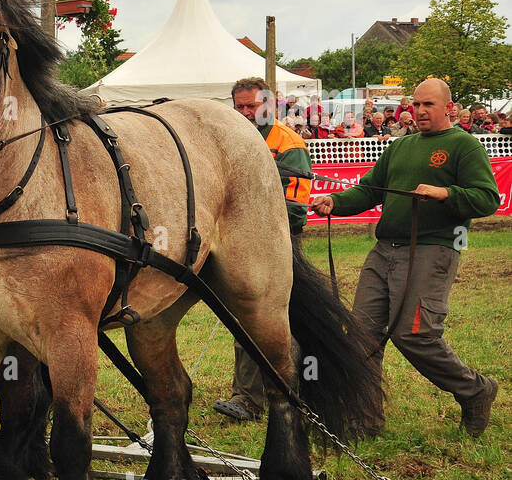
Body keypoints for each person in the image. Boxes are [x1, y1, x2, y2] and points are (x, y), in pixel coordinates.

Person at [310, 77, 500, 436]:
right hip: (384, 250)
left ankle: (475, 390)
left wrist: (446, 193)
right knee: (361, 335)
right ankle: (364, 422)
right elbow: (369, 190)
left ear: (449, 108)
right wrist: (336, 202)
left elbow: (487, 198)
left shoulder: (464, 145)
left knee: (414, 335)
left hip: (432, 248)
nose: (420, 111)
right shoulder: (401, 146)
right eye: (416, 104)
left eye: (429, 104)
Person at [213, 77, 313, 422]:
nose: (244, 113)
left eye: (251, 106)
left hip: (280, 243)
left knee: (285, 322)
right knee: (247, 320)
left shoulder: (289, 143)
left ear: (269, 105)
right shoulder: (229, 141)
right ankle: (246, 398)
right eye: (238, 106)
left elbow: (296, 207)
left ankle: (294, 391)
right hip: (241, 244)